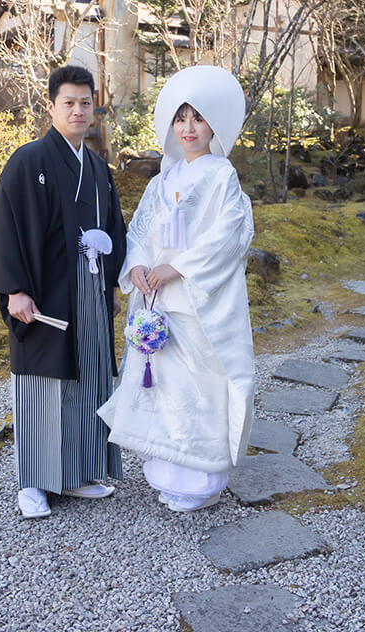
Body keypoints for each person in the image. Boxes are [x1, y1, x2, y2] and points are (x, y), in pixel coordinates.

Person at [97, 64, 255, 512]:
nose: (188, 128)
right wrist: (142, 266)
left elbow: (228, 237)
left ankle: (201, 478)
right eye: (181, 118)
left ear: (213, 126)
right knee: (162, 387)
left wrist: (177, 268)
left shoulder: (222, 177)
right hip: (158, 300)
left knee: (197, 386)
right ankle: (165, 471)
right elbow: (140, 234)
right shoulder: (160, 182)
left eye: (198, 118)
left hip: (196, 301)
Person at [0, 64, 126, 519]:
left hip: (90, 290)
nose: (79, 111)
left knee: (89, 378)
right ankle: (35, 482)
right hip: (44, 294)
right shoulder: (29, 161)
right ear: (51, 106)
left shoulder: (98, 169)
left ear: (94, 108)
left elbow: (113, 228)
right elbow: (9, 227)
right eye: (69, 103)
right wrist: (15, 290)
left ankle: (78, 473)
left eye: (86, 103)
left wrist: (111, 282)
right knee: (42, 384)